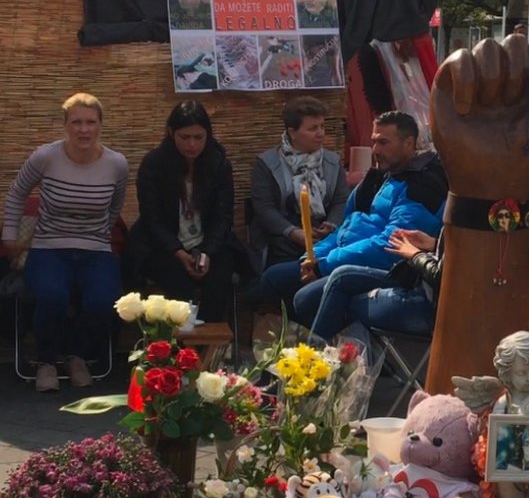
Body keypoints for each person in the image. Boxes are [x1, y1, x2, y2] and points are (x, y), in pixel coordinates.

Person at [254, 110, 445, 329]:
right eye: (374, 142)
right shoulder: (382, 176)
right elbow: (346, 226)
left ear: (408, 143)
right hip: (342, 255)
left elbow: (390, 245)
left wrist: (324, 265)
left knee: (306, 298)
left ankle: (320, 347)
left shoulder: (422, 186)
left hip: (388, 268)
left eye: (384, 143)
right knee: (274, 277)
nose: (376, 150)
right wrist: (312, 257)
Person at [4, 94, 128, 392]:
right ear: (65, 125)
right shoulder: (45, 157)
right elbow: (17, 193)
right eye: (76, 122)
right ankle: (46, 361)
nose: (84, 130)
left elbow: (115, 206)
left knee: (103, 300)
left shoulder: (117, 164)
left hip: (95, 248)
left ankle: (77, 356)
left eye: (90, 122)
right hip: (49, 246)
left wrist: (98, 234)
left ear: (100, 125)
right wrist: (9, 235)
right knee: (52, 296)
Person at [123, 101, 240, 325]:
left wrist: (207, 252)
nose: (192, 145)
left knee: (219, 276)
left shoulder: (218, 164)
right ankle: (178, 340)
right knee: (178, 281)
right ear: (171, 134)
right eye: (184, 137)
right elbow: (152, 218)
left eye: (198, 137)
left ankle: (208, 339)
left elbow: (223, 217)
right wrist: (177, 251)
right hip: (163, 245)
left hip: (208, 243)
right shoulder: (154, 164)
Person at [249, 97, 349, 282]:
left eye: (322, 127)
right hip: (284, 238)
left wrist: (331, 225)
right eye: (312, 128)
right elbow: (264, 208)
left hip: (323, 235)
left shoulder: (332, 161)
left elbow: (341, 200)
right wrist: (292, 232)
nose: (320, 134)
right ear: (292, 132)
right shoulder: (268, 163)